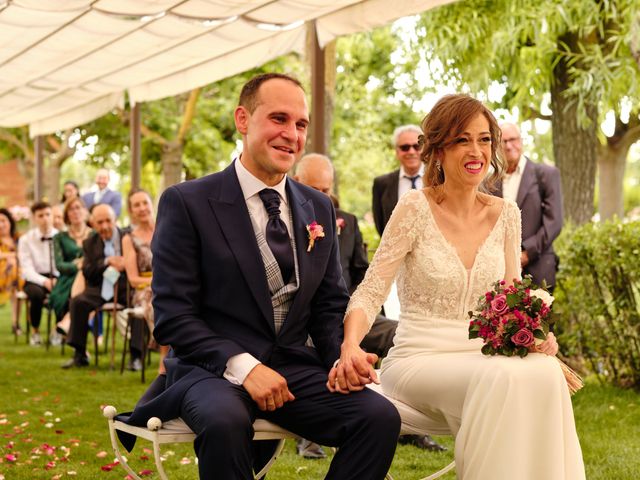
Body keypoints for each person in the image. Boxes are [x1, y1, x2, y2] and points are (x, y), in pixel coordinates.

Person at [119, 73, 400, 480]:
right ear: (243, 120)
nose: (292, 134)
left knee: (378, 417)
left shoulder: (319, 207)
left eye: (300, 124)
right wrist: (246, 368)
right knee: (225, 422)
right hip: (210, 370)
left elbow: (328, 305)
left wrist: (342, 354)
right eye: (279, 119)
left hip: (294, 368)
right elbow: (173, 316)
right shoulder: (187, 202)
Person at [332, 94, 585, 480]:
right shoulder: (414, 208)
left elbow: (513, 298)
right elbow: (371, 289)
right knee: (505, 378)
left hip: (484, 355)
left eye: (485, 140)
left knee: (544, 372)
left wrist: (535, 335)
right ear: (438, 149)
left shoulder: (506, 214)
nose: (476, 150)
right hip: (419, 357)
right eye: (462, 139)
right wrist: (351, 345)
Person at [294, 153, 443, 456]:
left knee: (396, 333)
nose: (321, 196)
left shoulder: (346, 221)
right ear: (297, 183)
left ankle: (408, 422)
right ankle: (309, 435)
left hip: (352, 310)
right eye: (314, 189)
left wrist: (368, 310)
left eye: (325, 190)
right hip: (310, 317)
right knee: (318, 342)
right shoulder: (287, 218)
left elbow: (363, 271)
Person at [63, 204, 143, 369]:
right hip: (100, 288)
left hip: (125, 287)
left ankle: (136, 356)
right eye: (100, 222)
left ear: (115, 220)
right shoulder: (90, 243)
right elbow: (87, 270)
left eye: (108, 221)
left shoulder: (128, 237)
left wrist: (126, 264)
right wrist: (107, 261)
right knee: (78, 302)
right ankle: (80, 354)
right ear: (92, 223)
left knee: (139, 304)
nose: (105, 226)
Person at [495, 123, 563, 292]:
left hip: (538, 268)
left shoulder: (546, 174)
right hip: (500, 273)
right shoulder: (490, 182)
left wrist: (526, 253)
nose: (509, 146)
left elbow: (554, 222)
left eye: (513, 140)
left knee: (539, 319)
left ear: (521, 141)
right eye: (503, 142)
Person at [122, 189, 168, 374]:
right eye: (136, 205)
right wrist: (158, 282)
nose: (142, 208)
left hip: (171, 284)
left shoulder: (167, 228)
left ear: (151, 204)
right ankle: (165, 360)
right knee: (160, 302)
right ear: (131, 211)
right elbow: (133, 279)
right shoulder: (129, 239)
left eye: (144, 203)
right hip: (144, 289)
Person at [17, 201, 59, 346]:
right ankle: (35, 331)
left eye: (48, 214)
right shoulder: (25, 239)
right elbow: (26, 268)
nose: (45, 219)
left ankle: (57, 331)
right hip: (34, 278)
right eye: (40, 216)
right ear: (34, 218)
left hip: (56, 276)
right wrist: (45, 282)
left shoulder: (60, 237)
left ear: (52, 216)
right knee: (36, 295)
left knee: (64, 292)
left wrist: (55, 280)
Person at [49, 197, 91, 339]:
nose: (75, 212)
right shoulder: (60, 237)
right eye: (71, 209)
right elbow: (60, 265)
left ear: (85, 211)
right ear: (67, 215)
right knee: (66, 298)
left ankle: (67, 328)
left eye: (78, 207)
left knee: (85, 296)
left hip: (90, 278)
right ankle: (74, 337)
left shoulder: (94, 235)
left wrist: (84, 266)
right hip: (66, 279)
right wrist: (76, 265)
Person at [372, 125, 423, 237]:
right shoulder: (381, 184)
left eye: (417, 146)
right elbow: (380, 225)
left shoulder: (440, 179)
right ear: (397, 151)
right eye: (405, 147)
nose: (411, 151)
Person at [0, 208, 23, 335]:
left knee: (15, 269)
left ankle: (15, 323)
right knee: (13, 266)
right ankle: (16, 323)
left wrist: (7, 255)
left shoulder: (19, 239)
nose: (1, 224)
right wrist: (12, 256)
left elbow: (24, 254)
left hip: (16, 274)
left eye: (3, 220)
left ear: (10, 222)